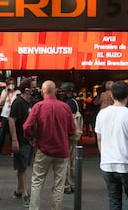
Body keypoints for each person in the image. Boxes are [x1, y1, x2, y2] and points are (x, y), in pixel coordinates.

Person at [94, 81, 128, 210]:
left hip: (107, 164)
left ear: (112, 95)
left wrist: (104, 156)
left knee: (114, 199)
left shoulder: (102, 114)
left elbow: (99, 138)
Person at [23, 80, 76, 210]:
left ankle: (34, 208)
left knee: (37, 182)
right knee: (59, 185)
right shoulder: (65, 107)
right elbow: (72, 130)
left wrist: (31, 138)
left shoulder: (38, 106)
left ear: (42, 92)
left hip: (43, 149)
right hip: (62, 150)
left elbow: (26, 126)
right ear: (56, 91)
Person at [8, 78, 36, 207]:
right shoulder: (18, 102)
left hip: (28, 139)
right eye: (33, 88)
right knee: (23, 167)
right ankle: (25, 192)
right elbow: (12, 120)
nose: (35, 90)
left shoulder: (28, 102)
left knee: (23, 166)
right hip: (21, 138)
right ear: (27, 89)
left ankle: (19, 190)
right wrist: (14, 139)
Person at [58, 82, 83, 194]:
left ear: (69, 92)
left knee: (65, 161)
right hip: (75, 135)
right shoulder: (76, 102)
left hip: (68, 135)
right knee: (72, 160)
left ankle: (66, 185)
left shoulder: (68, 104)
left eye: (63, 91)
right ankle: (72, 184)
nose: (61, 93)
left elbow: (68, 121)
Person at [0, 77, 20, 155]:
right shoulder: (4, 92)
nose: (11, 85)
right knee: (2, 133)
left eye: (13, 84)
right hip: (5, 114)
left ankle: (14, 150)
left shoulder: (18, 92)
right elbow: (1, 102)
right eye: (10, 84)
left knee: (13, 133)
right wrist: (6, 92)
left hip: (14, 115)